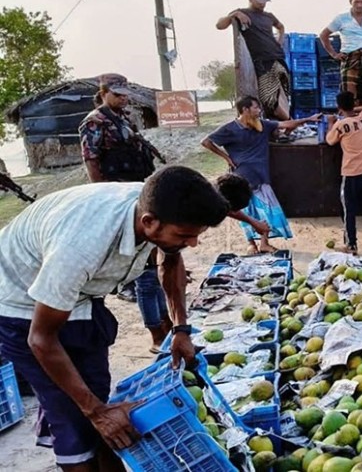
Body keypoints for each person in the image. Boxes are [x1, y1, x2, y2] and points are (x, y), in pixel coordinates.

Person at [0, 166, 228, 471]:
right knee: (71, 412)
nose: (193, 243)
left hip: (79, 298)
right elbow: (40, 338)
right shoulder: (82, 245)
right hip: (19, 303)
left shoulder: (158, 204)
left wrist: (181, 329)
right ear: (149, 222)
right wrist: (95, 411)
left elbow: (171, 261)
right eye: (185, 236)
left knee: (100, 396)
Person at [80, 73, 170, 353]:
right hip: (119, 200)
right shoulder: (95, 121)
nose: (123, 99)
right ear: (103, 93)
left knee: (152, 264)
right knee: (144, 273)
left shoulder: (123, 118)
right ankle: (156, 334)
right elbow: (91, 161)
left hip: (137, 194)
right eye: (117, 94)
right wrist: (105, 197)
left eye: (125, 95)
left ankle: (165, 323)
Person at [201, 96, 319, 255]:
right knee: (246, 212)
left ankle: (264, 243)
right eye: (256, 107)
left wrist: (308, 119)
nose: (259, 110)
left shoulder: (262, 125)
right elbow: (206, 142)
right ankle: (251, 244)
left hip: (261, 177)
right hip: (242, 180)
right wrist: (226, 158)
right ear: (245, 109)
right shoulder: (229, 129)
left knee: (267, 211)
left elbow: (285, 124)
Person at [216, 0, 290, 120]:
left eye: (264, 1)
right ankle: (285, 122)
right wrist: (234, 14)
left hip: (278, 57)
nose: (263, 4)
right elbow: (219, 25)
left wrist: (280, 42)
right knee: (269, 98)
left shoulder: (269, 16)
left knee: (278, 94)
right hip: (262, 60)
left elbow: (281, 27)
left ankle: (286, 122)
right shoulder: (243, 13)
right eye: (260, 1)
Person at [326, 91, 362, 254]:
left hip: (351, 173)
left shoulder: (340, 125)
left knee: (348, 209)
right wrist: (352, 109)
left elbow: (330, 140)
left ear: (339, 107)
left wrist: (331, 122)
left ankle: (351, 244)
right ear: (354, 103)